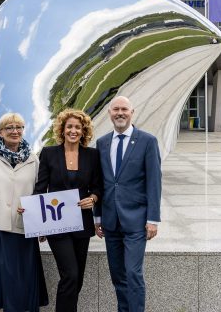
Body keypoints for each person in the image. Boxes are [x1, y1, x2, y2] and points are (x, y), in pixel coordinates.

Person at [0, 112, 48, 311]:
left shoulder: (33, 158)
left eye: (18, 127)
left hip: (24, 229)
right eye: (9, 128)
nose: (15, 131)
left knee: (22, 284)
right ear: (0, 132)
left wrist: (41, 224)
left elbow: (40, 191)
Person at [94, 96, 162, 312]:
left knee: (133, 273)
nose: (120, 113)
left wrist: (153, 219)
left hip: (136, 221)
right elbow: (100, 183)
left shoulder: (147, 141)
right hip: (110, 222)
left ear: (132, 112)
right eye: (116, 109)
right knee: (118, 275)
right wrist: (97, 217)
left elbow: (154, 182)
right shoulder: (102, 143)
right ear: (109, 113)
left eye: (124, 109)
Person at [34, 109, 102, 312]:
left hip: (82, 224)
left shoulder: (92, 155)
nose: (73, 131)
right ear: (62, 130)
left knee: (77, 278)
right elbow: (40, 189)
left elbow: (98, 187)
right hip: (57, 224)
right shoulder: (49, 153)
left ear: (83, 131)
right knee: (70, 275)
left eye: (78, 127)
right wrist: (37, 221)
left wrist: (93, 198)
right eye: (69, 126)